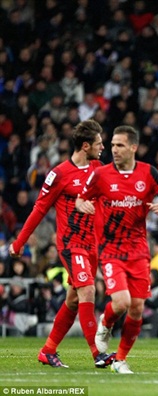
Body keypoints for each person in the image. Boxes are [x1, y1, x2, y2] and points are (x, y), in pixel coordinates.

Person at [8, 120, 115, 369]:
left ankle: (48, 350)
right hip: (70, 244)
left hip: (92, 245)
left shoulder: (99, 169)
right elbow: (39, 209)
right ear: (85, 145)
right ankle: (97, 353)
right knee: (88, 290)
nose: (102, 147)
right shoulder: (59, 174)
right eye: (99, 143)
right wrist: (19, 242)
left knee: (75, 300)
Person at [76, 125, 158, 374]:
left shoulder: (148, 173)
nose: (114, 149)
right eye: (112, 145)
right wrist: (83, 206)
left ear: (133, 147)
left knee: (137, 307)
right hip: (111, 249)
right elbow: (80, 198)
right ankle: (105, 323)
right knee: (121, 303)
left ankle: (120, 359)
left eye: (119, 145)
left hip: (139, 250)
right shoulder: (101, 175)